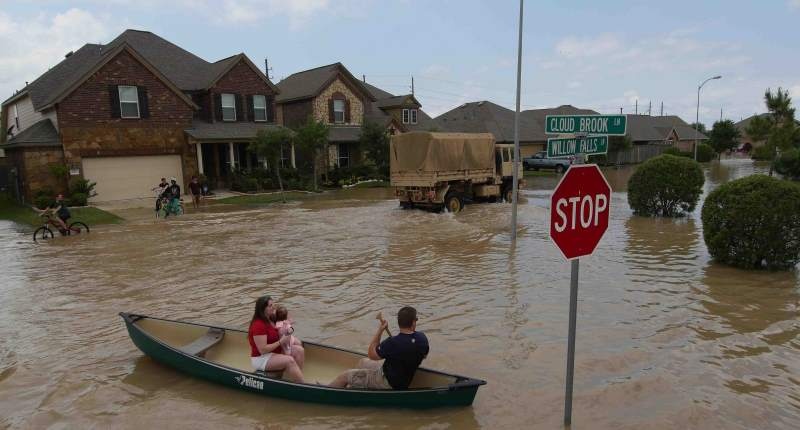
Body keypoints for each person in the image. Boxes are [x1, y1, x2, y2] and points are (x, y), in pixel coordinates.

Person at [329, 306, 429, 390]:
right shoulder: (422, 338)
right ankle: (356, 387)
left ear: (399, 322)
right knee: (363, 362)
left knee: (344, 376)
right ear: (413, 323)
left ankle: (328, 391)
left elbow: (371, 354)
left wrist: (380, 330)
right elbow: (424, 356)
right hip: (403, 380)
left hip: (387, 383)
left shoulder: (392, 343)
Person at [247, 296, 305, 383]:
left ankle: (296, 379)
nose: (273, 307)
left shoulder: (271, 317)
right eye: (270, 306)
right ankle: (302, 386)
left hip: (275, 351)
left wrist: (288, 323)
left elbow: (283, 321)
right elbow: (263, 350)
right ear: (263, 309)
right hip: (262, 358)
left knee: (300, 350)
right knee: (290, 361)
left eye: (273, 304)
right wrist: (281, 341)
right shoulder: (258, 325)